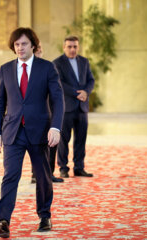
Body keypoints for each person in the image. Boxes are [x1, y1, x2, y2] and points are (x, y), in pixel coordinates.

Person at [0, 28, 64, 238]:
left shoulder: (47, 68)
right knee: (10, 175)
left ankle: (44, 216)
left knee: (43, 176)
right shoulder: (6, 69)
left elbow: (58, 100)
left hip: (40, 132)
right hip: (12, 132)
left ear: (33, 46)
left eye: (24, 44)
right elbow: (0, 102)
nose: (20, 48)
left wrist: (55, 127)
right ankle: (3, 221)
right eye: (17, 44)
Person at [53, 36, 95, 178]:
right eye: (69, 46)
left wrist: (86, 92)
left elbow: (91, 80)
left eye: (75, 46)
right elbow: (59, 83)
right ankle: (63, 168)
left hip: (82, 108)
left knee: (81, 139)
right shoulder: (57, 63)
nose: (72, 49)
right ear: (64, 47)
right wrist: (77, 93)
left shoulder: (84, 62)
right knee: (63, 139)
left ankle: (79, 167)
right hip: (66, 107)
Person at [31, 42, 64, 184]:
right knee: (37, 146)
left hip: (49, 112)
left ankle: (48, 173)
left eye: (40, 50)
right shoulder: (27, 70)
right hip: (36, 115)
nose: (39, 52)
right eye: (36, 50)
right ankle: (36, 174)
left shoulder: (47, 67)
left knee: (51, 144)